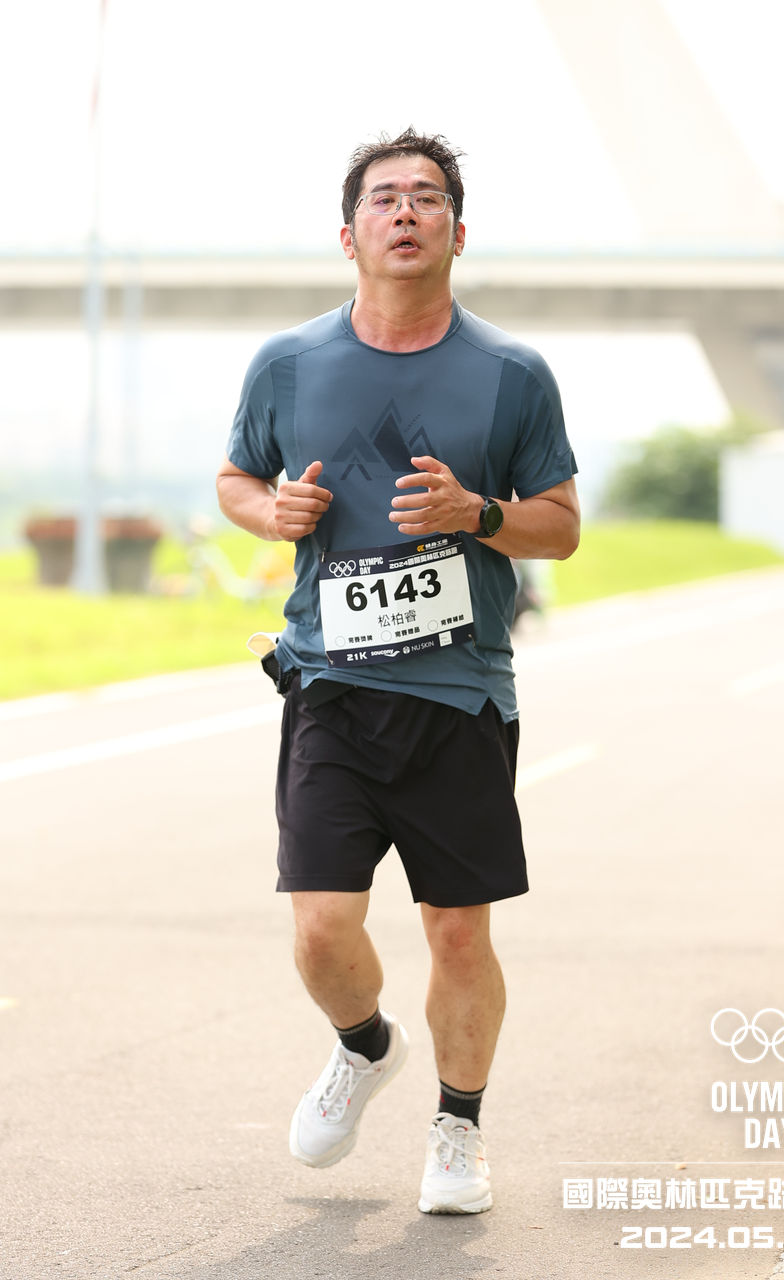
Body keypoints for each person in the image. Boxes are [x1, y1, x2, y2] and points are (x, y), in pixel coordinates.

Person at [216, 128, 580, 1214]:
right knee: (321, 926)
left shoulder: (512, 374)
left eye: (428, 197)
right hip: (330, 683)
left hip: (459, 694)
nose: (406, 211)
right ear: (350, 235)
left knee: (457, 930)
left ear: (458, 233)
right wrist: (270, 512)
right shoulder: (288, 364)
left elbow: (561, 527)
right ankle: (365, 1046)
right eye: (384, 198)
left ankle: (458, 1127)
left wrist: (479, 514)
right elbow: (236, 478)